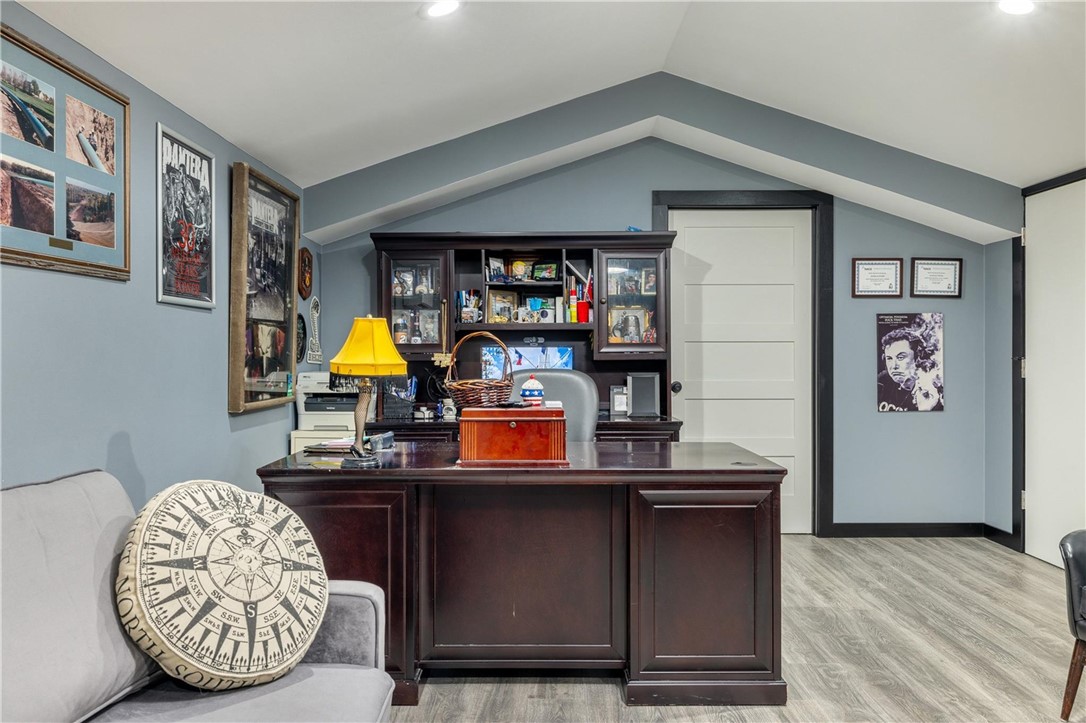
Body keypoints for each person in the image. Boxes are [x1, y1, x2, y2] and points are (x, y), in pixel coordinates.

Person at [877, 328, 921, 412]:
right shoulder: (881, 381)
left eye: (900, 357)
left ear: (917, 357)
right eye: (889, 358)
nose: (894, 366)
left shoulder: (931, 391)